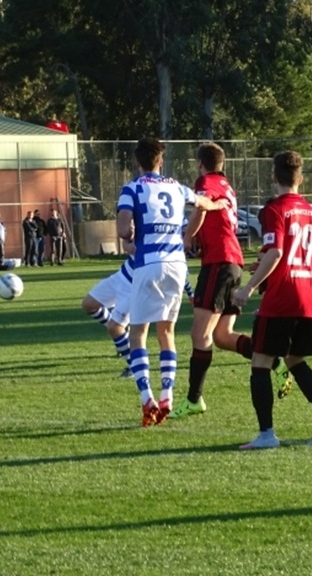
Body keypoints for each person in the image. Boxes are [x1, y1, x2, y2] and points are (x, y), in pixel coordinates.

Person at [170, 142, 291, 420]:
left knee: (199, 335)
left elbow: (201, 209)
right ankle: (275, 362)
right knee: (222, 336)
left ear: (201, 163)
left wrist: (187, 238)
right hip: (231, 261)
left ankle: (193, 400)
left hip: (219, 263)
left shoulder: (207, 180)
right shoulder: (226, 185)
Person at [116, 137, 228, 427]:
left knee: (138, 333)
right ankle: (167, 395)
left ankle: (147, 400)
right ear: (161, 161)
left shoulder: (131, 189)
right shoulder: (176, 186)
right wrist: (218, 204)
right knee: (167, 331)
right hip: (177, 265)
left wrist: (130, 235)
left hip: (148, 264)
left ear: (137, 161)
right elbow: (202, 204)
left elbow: (122, 229)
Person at [233, 150, 312, 450]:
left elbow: (277, 252)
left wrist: (250, 287)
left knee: (260, 362)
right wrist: (267, 268)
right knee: (295, 359)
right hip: (308, 296)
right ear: (300, 178)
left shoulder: (274, 210)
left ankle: (266, 434)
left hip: (282, 298)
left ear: (273, 177)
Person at [81, 250, 136, 379]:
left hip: (135, 284)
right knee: (89, 304)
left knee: (115, 328)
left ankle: (134, 366)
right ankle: (121, 333)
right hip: (122, 274)